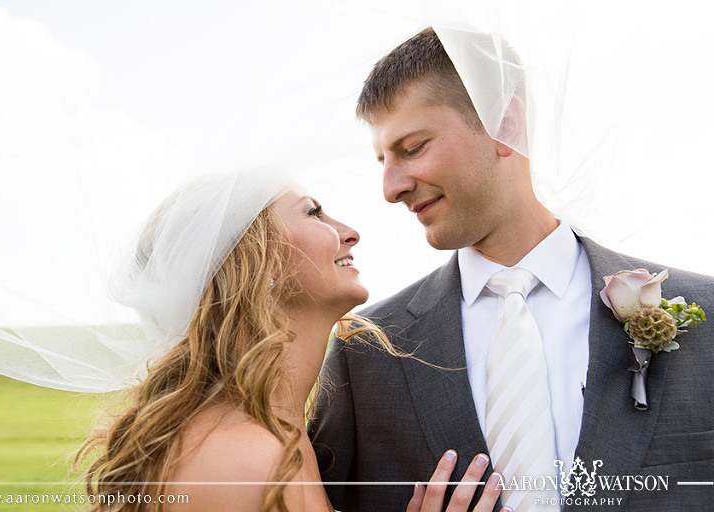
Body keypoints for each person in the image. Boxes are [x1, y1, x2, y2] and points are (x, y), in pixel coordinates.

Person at [308, 27, 714, 512]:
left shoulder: (704, 313)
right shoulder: (366, 350)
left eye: (412, 148)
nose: (390, 188)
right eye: (382, 160)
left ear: (505, 124)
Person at [73, 171, 508, 512]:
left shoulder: (281, 435)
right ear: (253, 257)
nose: (350, 232)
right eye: (314, 213)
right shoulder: (241, 462)